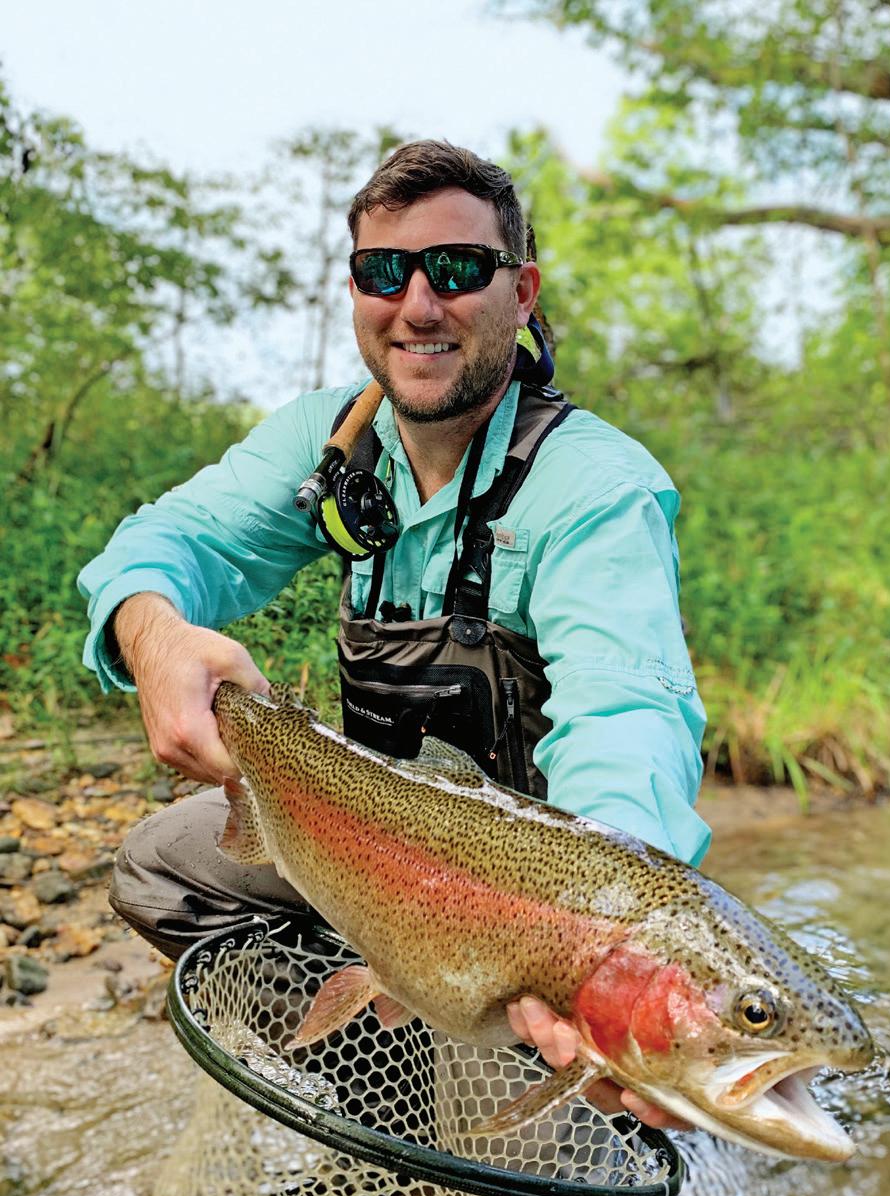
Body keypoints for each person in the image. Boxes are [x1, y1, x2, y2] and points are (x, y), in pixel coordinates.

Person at [78, 140, 710, 1130]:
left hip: (529, 914)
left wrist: (610, 950)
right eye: (385, 271)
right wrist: (153, 633)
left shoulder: (595, 488)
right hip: (365, 844)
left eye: (457, 269)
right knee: (161, 866)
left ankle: (482, 1093)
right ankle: (391, 1102)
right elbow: (167, 542)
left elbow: (626, 717)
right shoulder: (328, 442)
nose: (418, 303)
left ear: (522, 292)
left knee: (536, 1151)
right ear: (356, 291)